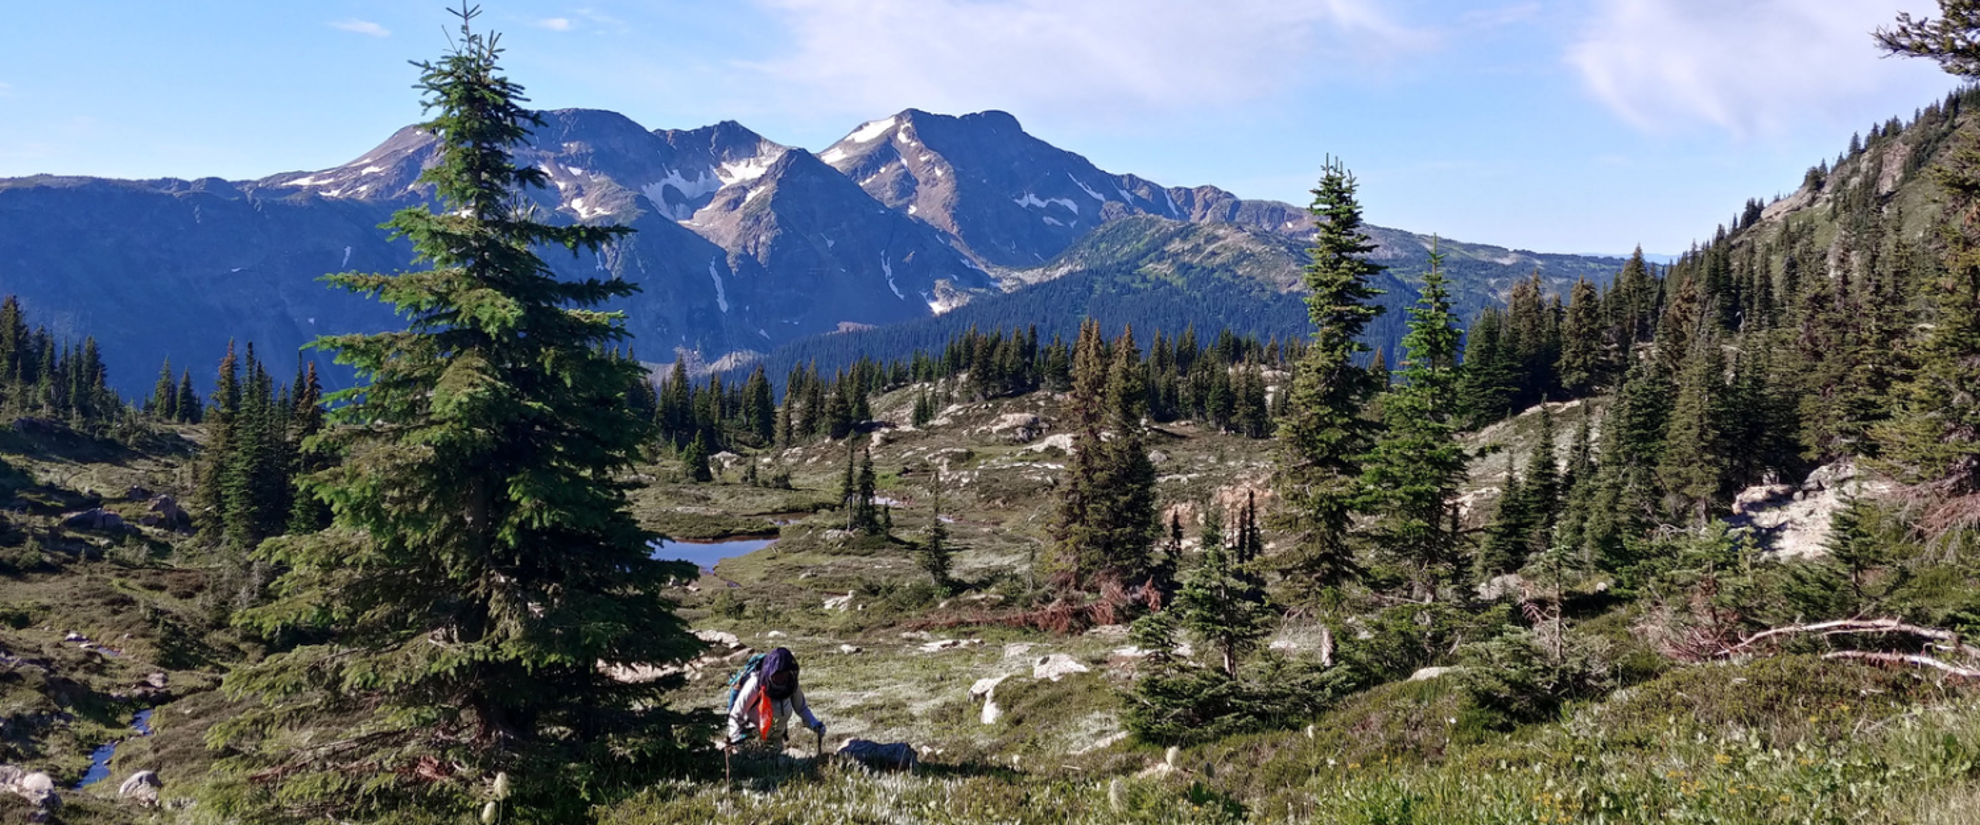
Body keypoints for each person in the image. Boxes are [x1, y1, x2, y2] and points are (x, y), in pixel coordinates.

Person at [725, 647, 825, 749]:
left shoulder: (791, 685)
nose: (780, 676)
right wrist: (736, 739)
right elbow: (736, 715)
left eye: (783, 672)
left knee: (775, 763)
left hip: (777, 740)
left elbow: (802, 709)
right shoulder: (755, 684)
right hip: (752, 741)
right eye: (777, 673)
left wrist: (815, 724)